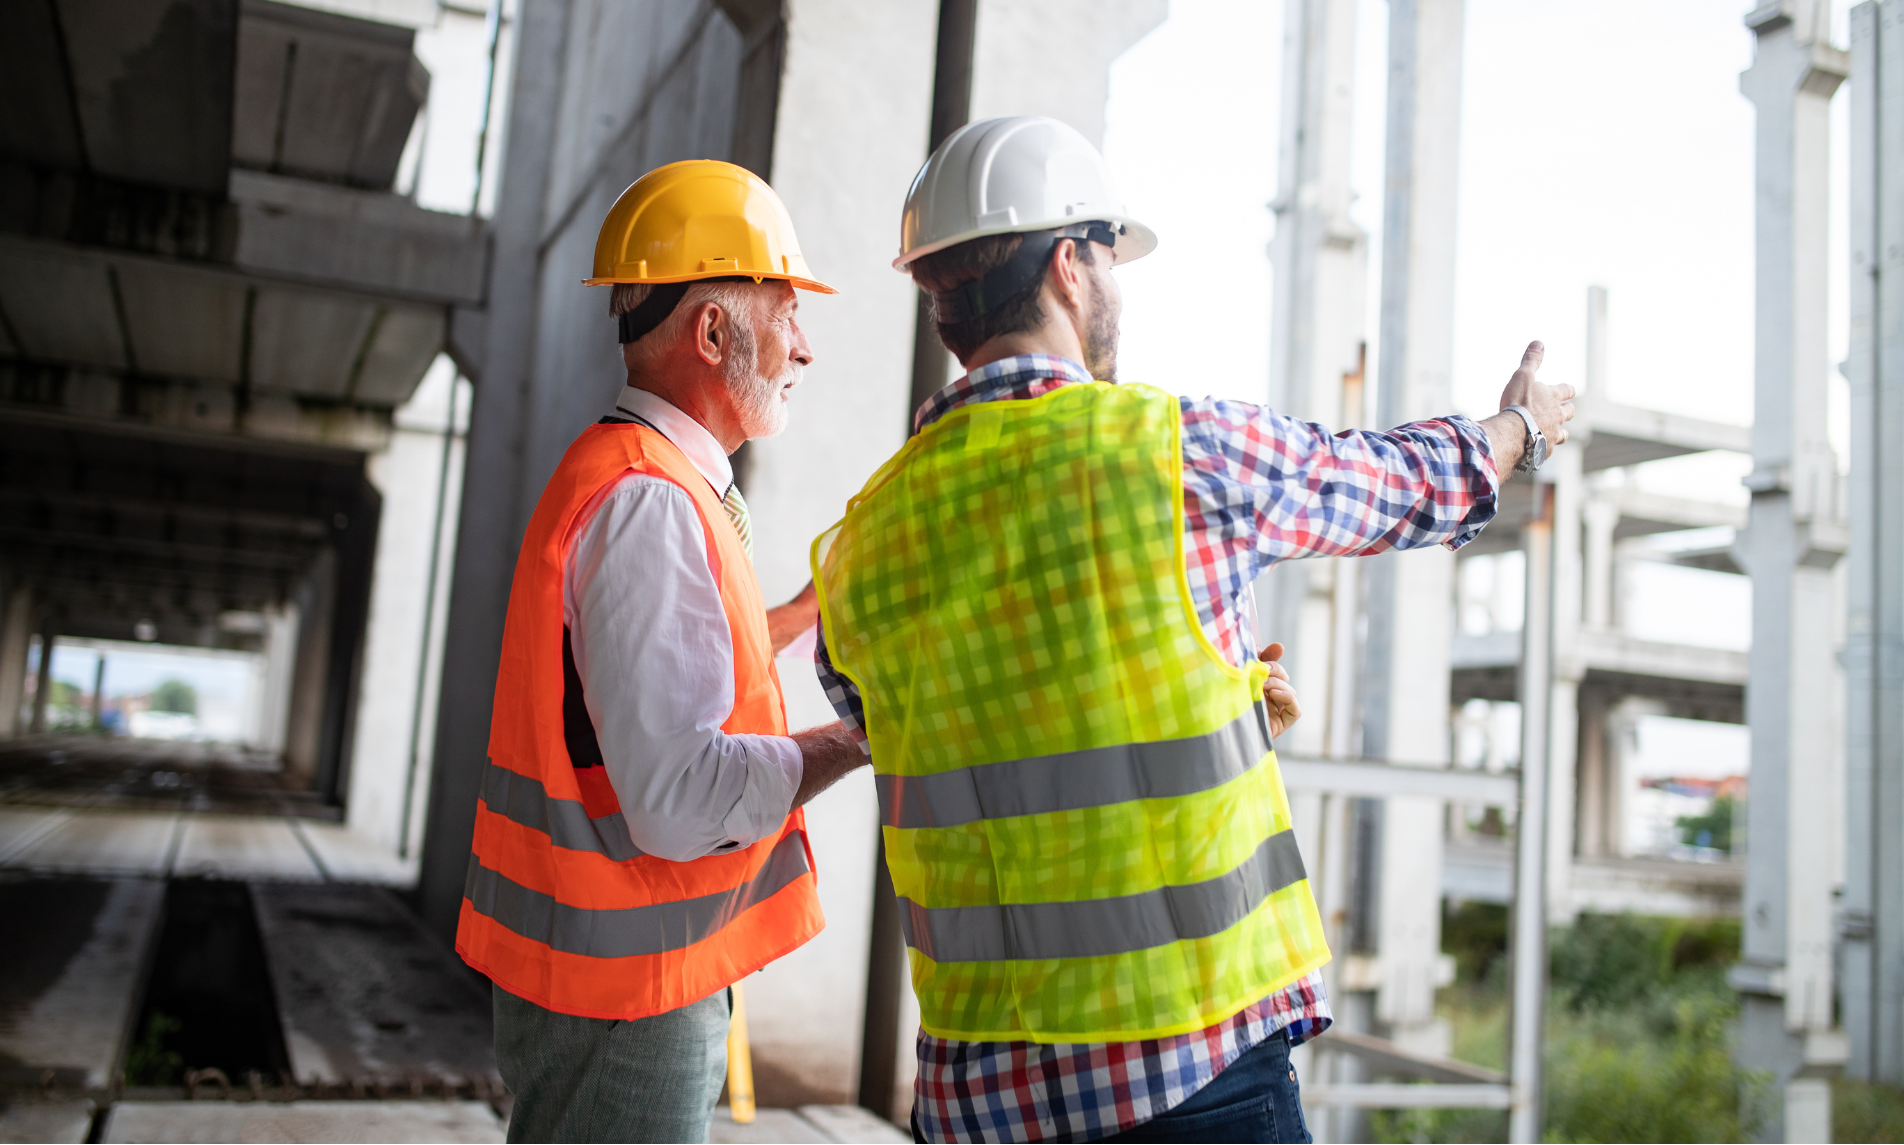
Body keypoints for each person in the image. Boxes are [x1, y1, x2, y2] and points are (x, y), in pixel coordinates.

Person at [810, 116, 1573, 1143]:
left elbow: (929, 731)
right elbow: (1394, 482)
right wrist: (1517, 426)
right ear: (1069, 267)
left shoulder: (861, 543)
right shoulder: (1175, 454)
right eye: (1110, 258)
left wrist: (1209, 685)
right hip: (1188, 1078)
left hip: (974, 1101)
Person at [457, 160, 869, 1142]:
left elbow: (662, 672)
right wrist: (862, 739)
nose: (803, 349)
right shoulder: (651, 502)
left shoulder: (635, 472)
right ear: (714, 331)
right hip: (628, 993)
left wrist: (812, 608)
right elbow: (679, 794)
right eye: (785, 313)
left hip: (604, 968)